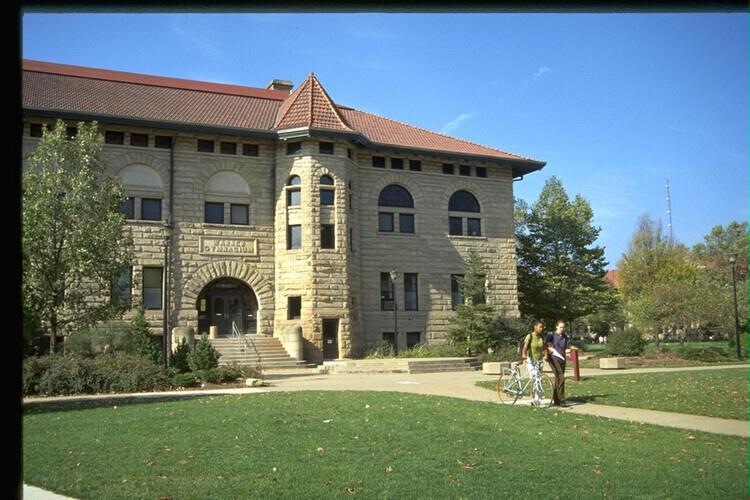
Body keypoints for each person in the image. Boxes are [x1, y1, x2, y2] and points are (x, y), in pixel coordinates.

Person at [545, 320, 577, 407]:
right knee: (561, 378)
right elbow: (547, 345)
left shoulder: (565, 337)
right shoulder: (551, 335)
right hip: (553, 358)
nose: (562, 329)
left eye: (563, 327)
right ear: (556, 327)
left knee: (558, 379)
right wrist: (551, 349)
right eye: (560, 327)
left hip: (562, 359)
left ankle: (556, 400)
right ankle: (562, 399)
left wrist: (572, 348)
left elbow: (567, 347)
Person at [521, 321, 547, 406]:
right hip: (530, 360)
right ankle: (535, 399)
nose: (541, 329)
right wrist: (524, 354)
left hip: (539, 361)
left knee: (539, 379)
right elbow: (525, 346)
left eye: (542, 327)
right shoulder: (530, 336)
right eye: (540, 327)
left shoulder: (542, 337)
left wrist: (546, 355)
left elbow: (545, 347)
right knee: (535, 377)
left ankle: (536, 399)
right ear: (535, 327)